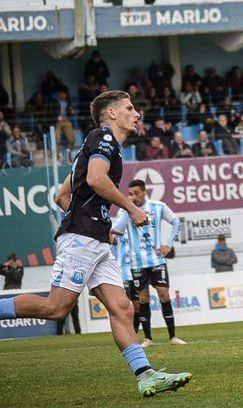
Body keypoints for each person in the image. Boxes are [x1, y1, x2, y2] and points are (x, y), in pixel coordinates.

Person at [0, 90, 191, 396]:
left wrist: (92, 220)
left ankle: (146, 375)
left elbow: (61, 197)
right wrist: (130, 209)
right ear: (112, 113)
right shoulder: (103, 137)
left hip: (95, 239)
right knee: (56, 307)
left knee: (123, 308)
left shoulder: (98, 144)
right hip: (83, 239)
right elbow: (95, 180)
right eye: (130, 108)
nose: (137, 113)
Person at [111, 179, 185, 348]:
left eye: (136, 193)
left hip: (157, 260)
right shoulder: (127, 210)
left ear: (144, 192)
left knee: (164, 295)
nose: (133, 197)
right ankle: (148, 338)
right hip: (137, 263)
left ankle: (173, 336)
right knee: (143, 300)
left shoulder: (158, 207)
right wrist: (126, 208)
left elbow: (176, 222)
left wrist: (169, 245)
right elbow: (119, 231)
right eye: (130, 194)